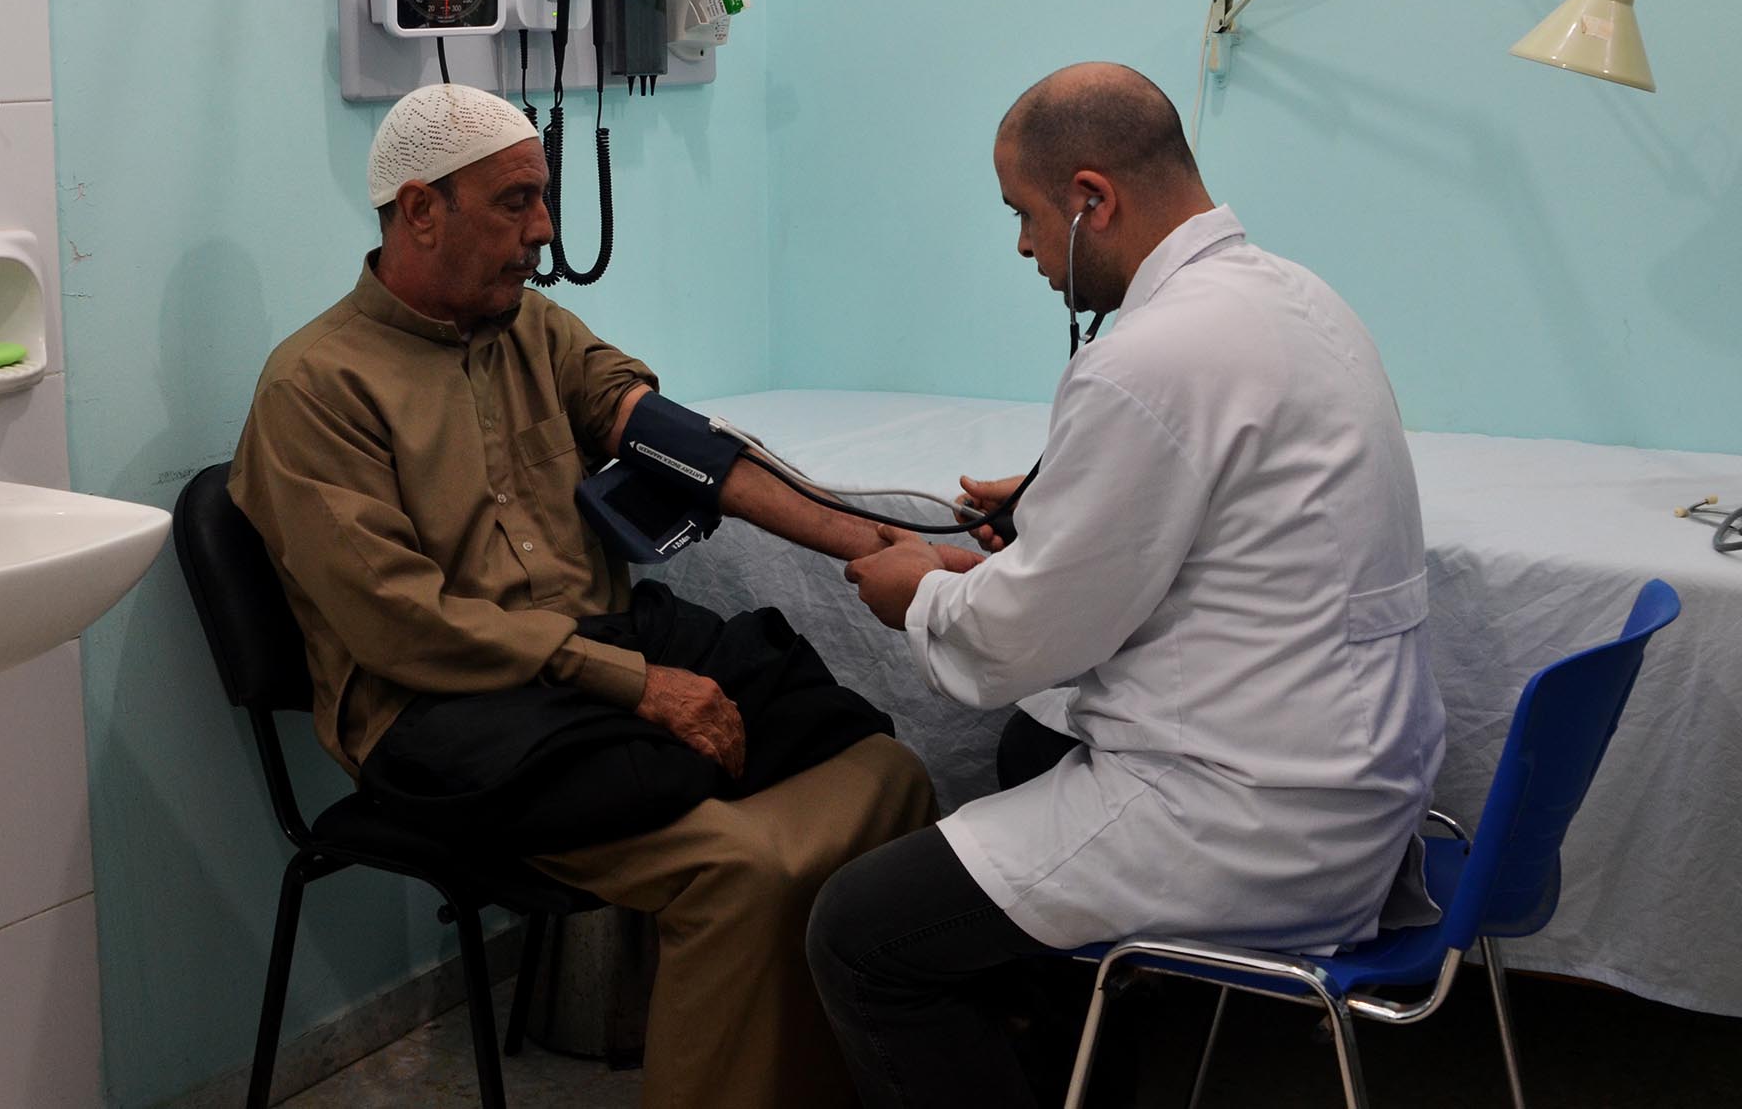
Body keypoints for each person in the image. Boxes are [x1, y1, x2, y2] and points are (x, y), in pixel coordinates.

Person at [228, 84, 936, 1109]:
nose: (543, 230)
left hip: (592, 653)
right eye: (515, 202)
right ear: (421, 209)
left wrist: (867, 536)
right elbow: (400, 620)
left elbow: (667, 439)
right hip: (441, 702)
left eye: (543, 198)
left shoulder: (531, 328)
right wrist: (634, 683)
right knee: (738, 866)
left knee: (880, 765)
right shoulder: (313, 387)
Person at [812, 62, 1447, 1107]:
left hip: (1250, 812)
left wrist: (919, 591)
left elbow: (1020, 639)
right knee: (1029, 743)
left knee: (860, 933)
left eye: (1023, 215)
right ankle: (1074, 1060)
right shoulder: (1293, 296)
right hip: (1350, 768)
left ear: (1089, 199)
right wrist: (1061, 503)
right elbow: (1220, 505)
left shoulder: (1144, 359)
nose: (1022, 247)